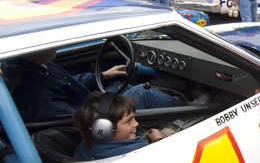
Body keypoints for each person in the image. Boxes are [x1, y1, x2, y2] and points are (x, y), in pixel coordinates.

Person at [1, 49, 186, 121]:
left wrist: (104, 74)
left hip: (86, 103)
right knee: (142, 93)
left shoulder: (37, 65)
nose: (56, 45)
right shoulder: (34, 91)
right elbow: (73, 122)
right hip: (91, 120)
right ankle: (190, 110)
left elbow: (70, 82)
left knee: (117, 85)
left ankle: (174, 99)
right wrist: (103, 107)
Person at [73, 92, 166, 160]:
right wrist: (158, 141)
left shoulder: (85, 145)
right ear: (104, 130)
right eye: (128, 121)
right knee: (168, 132)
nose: (136, 123)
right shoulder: (138, 151)